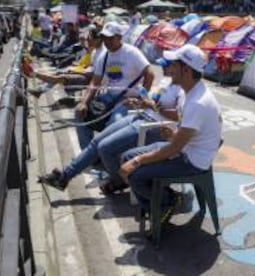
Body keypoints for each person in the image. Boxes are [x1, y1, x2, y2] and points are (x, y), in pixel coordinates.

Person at [38, 58, 183, 192]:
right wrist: (140, 102)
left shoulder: (183, 90)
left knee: (105, 148)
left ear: (180, 68)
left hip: (154, 126)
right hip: (141, 116)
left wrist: (152, 107)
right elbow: (154, 104)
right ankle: (65, 176)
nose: (163, 67)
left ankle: (121, 180)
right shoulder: (167, 81)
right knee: (97, 141)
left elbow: (180, 115)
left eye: (167, 65)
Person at [119, 44, 223, 222]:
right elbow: (182, 127)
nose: (168, 68)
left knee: (135, 174)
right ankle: (160, 203)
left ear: (186, 69)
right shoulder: (188, 91)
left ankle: (168, 202)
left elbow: (174, 148)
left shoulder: (198, 102)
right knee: (126, 158)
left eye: (173, 64)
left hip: (192, 161)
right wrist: (173, 134)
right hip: (185, 150)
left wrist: (139, 160)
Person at [75, 21, 155, 150]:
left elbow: (150, 74)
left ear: (119, 37)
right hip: (109, 97)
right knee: (79, 112)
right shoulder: (104, 56)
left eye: (110, 38)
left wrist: (141, 99)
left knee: (114, 121)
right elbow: (95, 82)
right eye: (104, 38)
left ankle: (98, 152)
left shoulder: (132, 52)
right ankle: (88, 152)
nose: (107, 41)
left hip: (127, 100)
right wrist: (84, 102)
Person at [23, 27, 104, 95]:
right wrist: (76, 68)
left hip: (89, 79)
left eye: (89, 39)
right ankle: (37, 82)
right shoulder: (95, 51)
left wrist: (76, 71)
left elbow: (94, 74)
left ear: (98, 39)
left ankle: (34, 74)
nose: (87, 41)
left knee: (60, 77)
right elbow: (89, 66)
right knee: (59, 73)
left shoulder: (101, 53)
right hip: (84, 73)